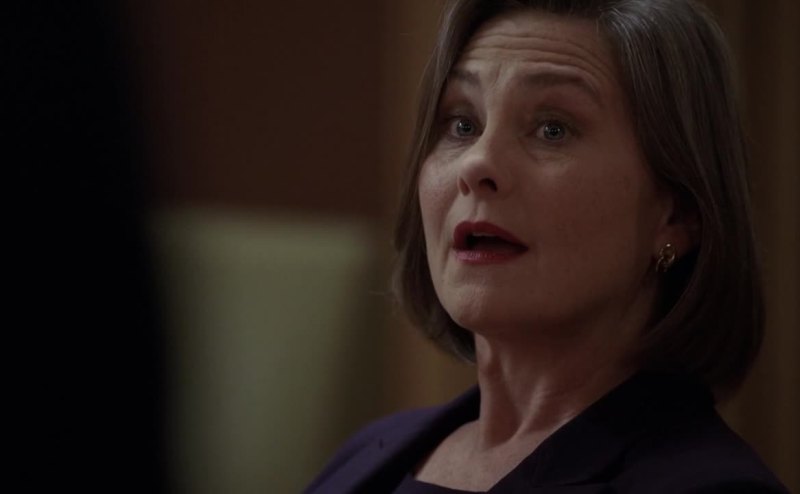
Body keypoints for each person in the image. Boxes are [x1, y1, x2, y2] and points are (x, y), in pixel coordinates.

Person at [306, 0, 789, 492]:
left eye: (552, 130)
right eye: (463, 124)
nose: (477, 164)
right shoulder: (372, 450)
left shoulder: (712, 487)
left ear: (676, 215)